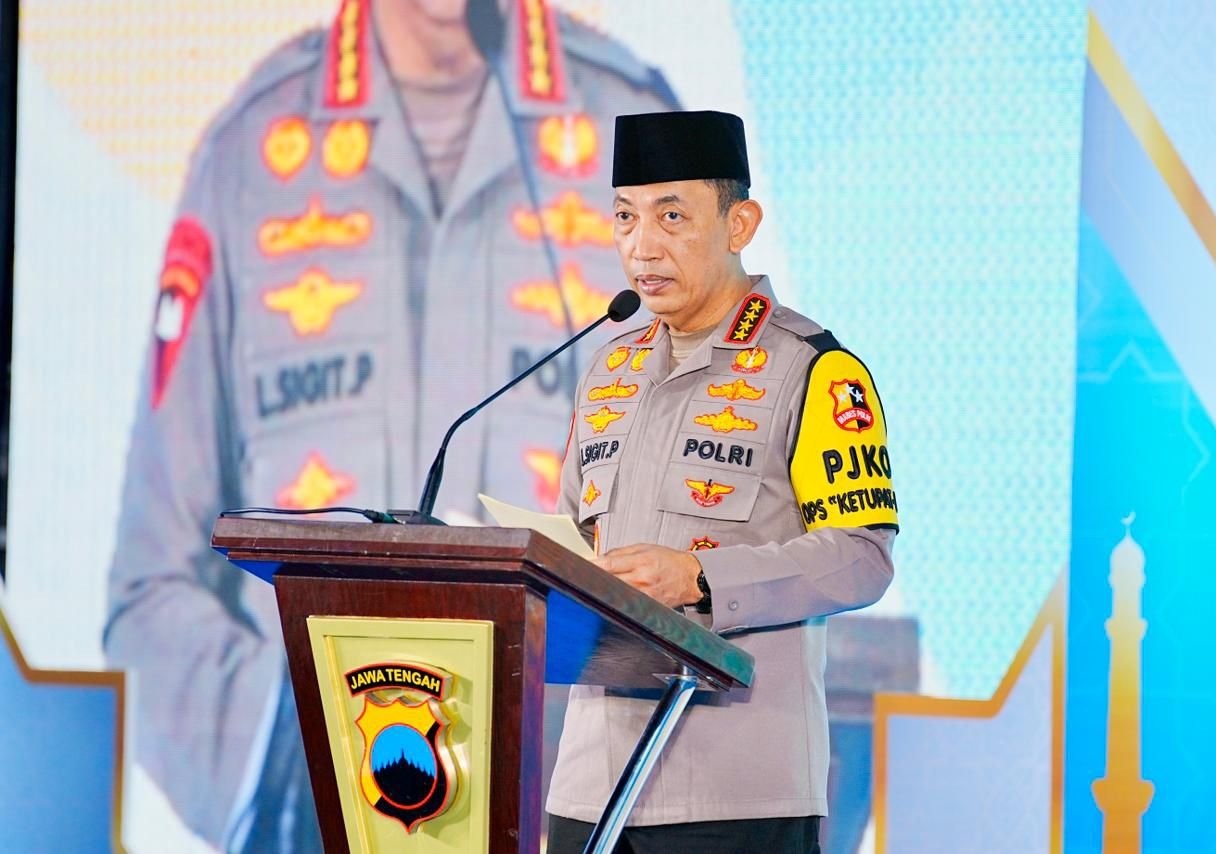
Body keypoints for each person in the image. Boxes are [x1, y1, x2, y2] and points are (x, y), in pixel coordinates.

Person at [102, 1, 678, 849]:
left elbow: (697, 545)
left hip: (569, 818)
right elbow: (151, 585)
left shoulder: (640, 140)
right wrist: (304, 764)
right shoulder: (248, 153)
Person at [546, 110, 899, 853]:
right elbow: (571, 544)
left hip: (736, 792)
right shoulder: (607, 371)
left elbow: (862, 557)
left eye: (672, 216)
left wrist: (702, 578)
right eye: (625, 217)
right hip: (590, 786)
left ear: (740, 224)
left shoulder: (812, 368)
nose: (642, 246)